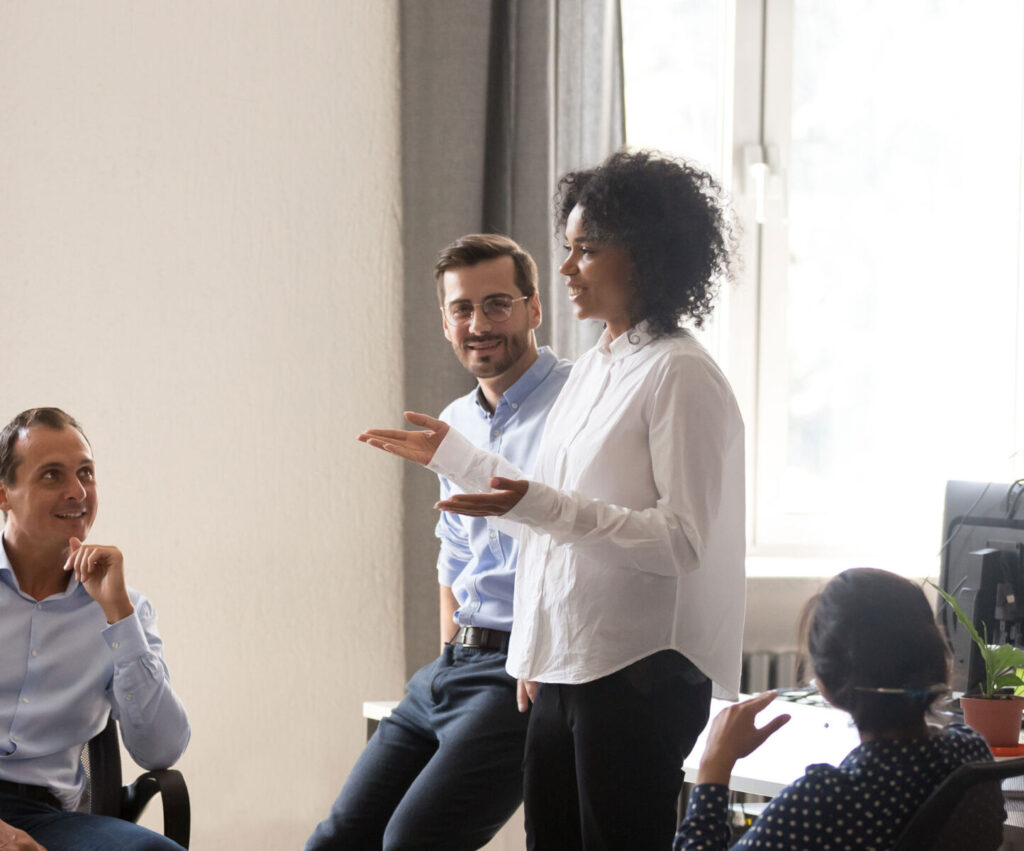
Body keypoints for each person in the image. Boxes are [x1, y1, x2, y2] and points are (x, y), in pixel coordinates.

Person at [359, 150, 745, 850]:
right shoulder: (600, 364)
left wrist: (535, 504)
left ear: (645, 255)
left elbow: (681, 541)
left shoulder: (680, 373)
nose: (566, 268)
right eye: (567, 249)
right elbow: (548, 508)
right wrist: (458, 458)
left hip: (638, 675)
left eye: (586, 250)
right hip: (565, 668)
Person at [306, 234, 572, 850]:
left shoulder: (578, 403)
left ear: (535, 309)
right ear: (445, 321)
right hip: (453, 668)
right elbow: (454, 551)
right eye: (462, 309)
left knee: (413, 844)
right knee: (335, 842)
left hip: (521, 674)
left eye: (498, 304)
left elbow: (575, 540)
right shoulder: (454, 418)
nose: (478, 324)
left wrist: (540, 656)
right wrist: (448, 650)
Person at [675, 567, 997, 850]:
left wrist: (715, 767)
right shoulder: (970, 755)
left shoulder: (824, 802)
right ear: (937, 658)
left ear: (826, 685)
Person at [0, 407, 190, 851]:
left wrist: (119, 617)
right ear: (4, 494)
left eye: (86, 473)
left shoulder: (123, 607)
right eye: (51, 475)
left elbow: (161, 752)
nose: (77, 491)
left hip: (48, 818)